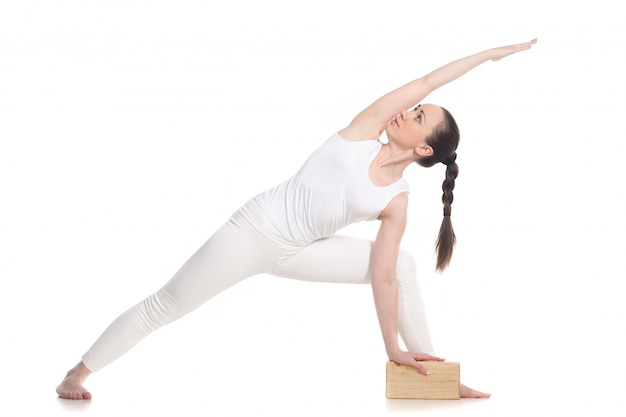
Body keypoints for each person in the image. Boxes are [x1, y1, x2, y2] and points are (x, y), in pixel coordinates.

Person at [56, 39, 537, 400]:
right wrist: (488, 56)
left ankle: (435, 378)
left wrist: (391, 347)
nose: (405, 112)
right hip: (254, 231)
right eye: (411, 109)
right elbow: (428, 81)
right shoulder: (365, 128)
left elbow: (384, 276)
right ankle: (77, 373)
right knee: (165, 305)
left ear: (424, 148)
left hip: (302, 250)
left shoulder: (397, 199)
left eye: (416, 117)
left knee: (404, 267)